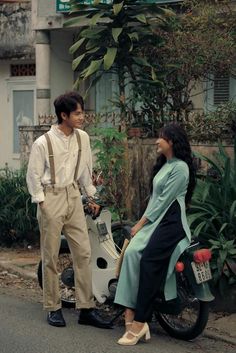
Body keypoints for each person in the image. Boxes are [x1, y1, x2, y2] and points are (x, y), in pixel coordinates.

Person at [26, 91, 111, 329]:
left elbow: (85, 170)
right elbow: (32, 176)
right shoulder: (43, 142)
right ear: (64, 115)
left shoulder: (82, 138)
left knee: (83, 253)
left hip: (73, 195)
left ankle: (86, 308)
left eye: (82, 112)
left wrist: (91, 197)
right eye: (77, 113)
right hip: (50, 196)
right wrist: (43, 202)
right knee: (51, 256)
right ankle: (53, 307)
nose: (82, 117)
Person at [114, 123, 196, 345]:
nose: (157, 141)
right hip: (157, 220)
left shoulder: (180, 168)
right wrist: (144, 222)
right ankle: (129, 313)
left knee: (149, 260)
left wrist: (140, 224)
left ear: (172, 141)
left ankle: (141, 322)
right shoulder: (165, 165)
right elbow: (154, 200)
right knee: (131, 254)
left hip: (171, 222)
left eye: (161, 137)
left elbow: (163, 202)